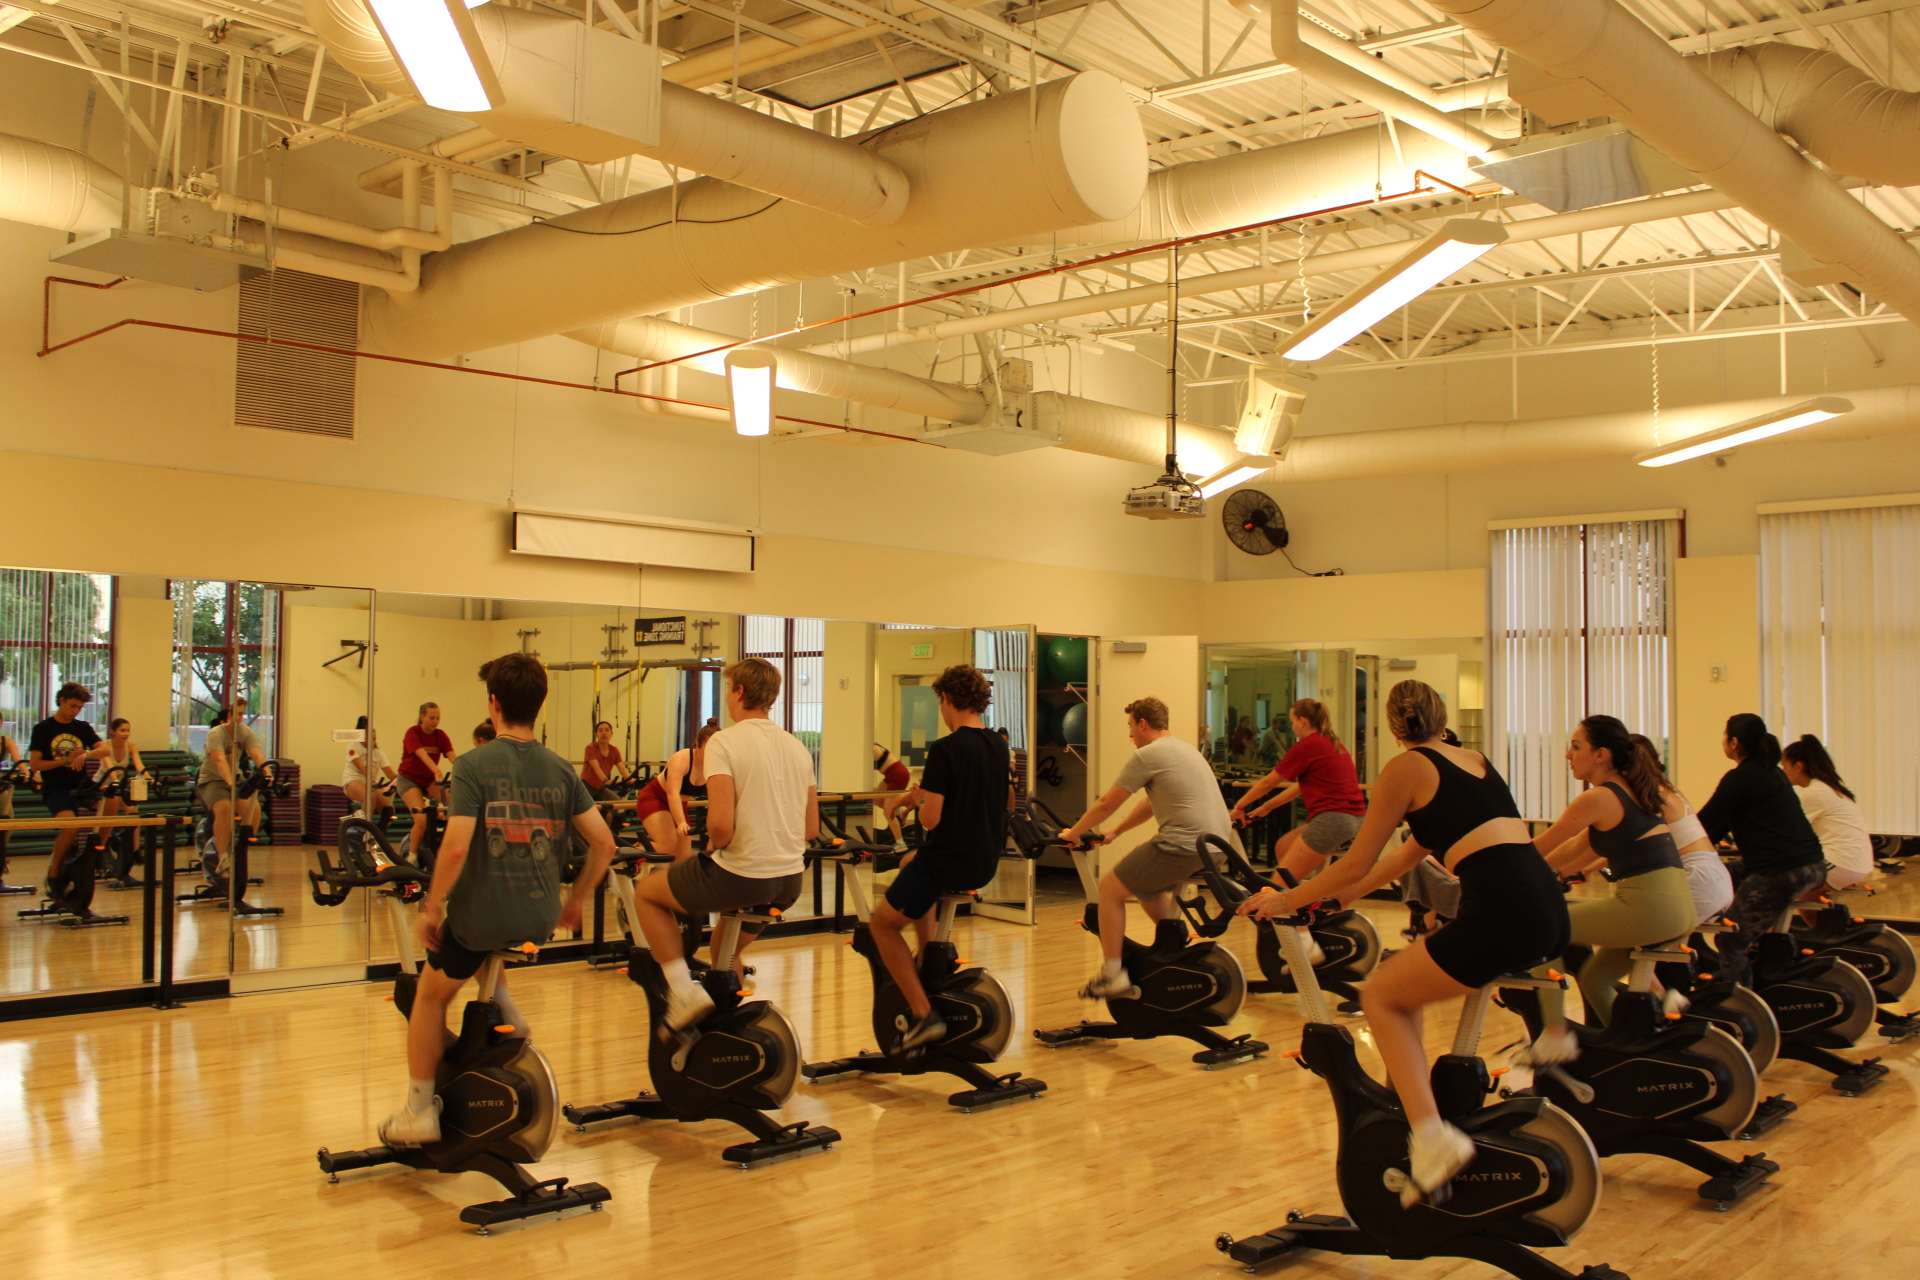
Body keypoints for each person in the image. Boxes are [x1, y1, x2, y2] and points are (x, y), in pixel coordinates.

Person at [1238, 680, 1569, 1206]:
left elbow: (1356, 859)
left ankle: (1434, 1140)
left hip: (1503, 912)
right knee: (1400, 991)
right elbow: (1410, 851)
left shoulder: (1405, 768)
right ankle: (1416, 1112)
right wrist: (1342, 900)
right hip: (1546, 909)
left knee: (1380, 997)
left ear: (1393, 727)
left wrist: (1286, 898)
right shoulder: (1473, 759)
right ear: (1441, 717)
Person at [378, 653, 617, 1145]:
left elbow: (458, 845)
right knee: (488, 938)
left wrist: (433, 905)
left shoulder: (471, 765)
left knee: (426, 999)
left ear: (494, 704)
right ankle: (504, 1010)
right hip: (540, 918)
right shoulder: (561, 768)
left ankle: (419, 1110)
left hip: (481, 918)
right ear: (540, 704)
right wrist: (576, 902)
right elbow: (605, 844)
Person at [633, 658, 816, 1038]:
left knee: (647, 893)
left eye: (728, 688)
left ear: (740, 692)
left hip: (742, 876)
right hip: (789, 882)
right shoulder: (797, 747)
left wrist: (720, 847)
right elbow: (810, 827)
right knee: (723, 949)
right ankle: (730, 1030)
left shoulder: (724, 742)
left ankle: (683, 993)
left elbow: (719, 827)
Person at [1520, 716, 1693, 1062]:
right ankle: (1636, 1051)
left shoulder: (1600, 797)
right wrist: (1543, 872)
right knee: (1595, 979)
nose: (1568, 755)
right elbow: (1569, 853)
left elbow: (1537, 848)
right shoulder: (1630, 790)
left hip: (1651, 907)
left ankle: (1555, 1034)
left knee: (1544, 926)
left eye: (1576, 746)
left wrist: (1489, 864)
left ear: (1601, 755)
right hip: (1677, 908)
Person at [1059, 696, 1241, 1001]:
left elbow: (1107, 802)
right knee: (1146, 886)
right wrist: (1117, 830)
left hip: (1183, 844)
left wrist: (1074, 833)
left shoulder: (1149, 754)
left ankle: (1112, 975)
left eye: (1131, 727)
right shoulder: (1185, 749)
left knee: (1110, 890)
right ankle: (1173, 950)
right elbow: (1150, 802)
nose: (1130, 736)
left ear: (1142, 724)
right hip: (1216, 846)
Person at [873, 665, 1011, 1053]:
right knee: (908, 863)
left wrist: (917, 807)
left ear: (947, 699)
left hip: (949, 859)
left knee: (881, 926)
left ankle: (923, 1014)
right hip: (984, 859)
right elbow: (965, 791)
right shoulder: (997, 745)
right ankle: (929, 958)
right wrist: (916, 795)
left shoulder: (945, 748)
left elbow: (932, 818)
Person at [1698, 713, 1827, 986]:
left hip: (1781, 871)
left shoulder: (1740, 777)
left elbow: (1704, 824)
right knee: (1724, 873)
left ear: (1733, 742)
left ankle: (1744, 1007)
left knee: (1729, 939)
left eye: (1725, 737)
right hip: (1811, 866)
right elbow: (1717, 825)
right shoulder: (1772, 772)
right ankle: (1754, 965)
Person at [1230, 698, 1368, 884]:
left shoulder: (1308, 745)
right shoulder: (1331, 742)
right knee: (1284, 847)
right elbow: (1301, 787)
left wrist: (1239, 806)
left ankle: (1288, 902)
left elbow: (1268, 783)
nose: (1292, 727)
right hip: (1355, 819)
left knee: (1278, 885)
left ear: (1302, 721)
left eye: (1292, 721)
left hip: (1333, 820)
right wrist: (1268, 806)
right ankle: (1303, 900)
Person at [29, 683, 109, 891]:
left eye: (80, 708)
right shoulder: (44, 729)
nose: (75, 711)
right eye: (72, 706)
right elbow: (35, 764)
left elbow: (105, 749)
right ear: (61, 700)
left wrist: (86, 755)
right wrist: (64, 761)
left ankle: (98, 850)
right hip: (56, 787)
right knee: (70, 826)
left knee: (113, 800)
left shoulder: (82, 727)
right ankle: (54, 874)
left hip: (82, 784)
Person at [1782, 734, 1875, 897]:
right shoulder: (1826, 788)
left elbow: (1784, 829)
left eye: (1785, 767)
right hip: (1855, 862)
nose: (1783, 772)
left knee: (1776, 886)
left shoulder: (1815, 793)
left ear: (1799, 766)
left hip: (1844, 862)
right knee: (1804, 896)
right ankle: (1826, 923)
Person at [196, 698, 269, 865]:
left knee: (254, 810)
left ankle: (241, 850)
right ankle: (222, 857)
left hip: (236, 778)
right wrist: (229, 782)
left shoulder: (246, 732)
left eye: (243, 714)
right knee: (224, 809)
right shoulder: (216, 733)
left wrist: (268, 773)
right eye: (237, 714)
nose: (240, 718)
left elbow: (256, 755)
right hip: (212, 780)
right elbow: (219, 760)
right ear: (229, 716)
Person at [632, 724, 712, 861]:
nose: (713, 753)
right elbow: (672, 793)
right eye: (709, 748)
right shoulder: (682, 758)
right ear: (697, 745)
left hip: (680, 805)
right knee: (667, 845)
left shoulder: (716, 764)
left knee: (682, 859)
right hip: (654, 798)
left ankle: (669, 881)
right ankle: (621, 852)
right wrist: (681, 822)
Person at [398, 702, 455, 864]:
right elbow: (423, 756)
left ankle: (448, 850)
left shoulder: (441, 735)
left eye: (438, 718)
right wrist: (437, 771)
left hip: (428, 781)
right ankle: (412, 856)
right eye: (431, 718)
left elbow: (452, 756)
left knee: (453, 803)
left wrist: (464, 772)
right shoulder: (412, 733)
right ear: (422, 717)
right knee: (421, 820)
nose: (435, 721)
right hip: (409, 779)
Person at [344, 716, 396, 826]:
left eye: (374, 739)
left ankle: (380, 833)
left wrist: (403, 781)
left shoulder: (378, 754)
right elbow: (362, 767)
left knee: (388, 809)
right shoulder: (352, 747)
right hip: (353, 781)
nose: (373, 741)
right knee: (369, 796)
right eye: (370, 738)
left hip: (372, 785)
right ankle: (364, 829)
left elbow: (391, 773)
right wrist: (371, 780)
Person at [873, 743, 914, 851]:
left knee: (888, 812)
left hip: (898, 775)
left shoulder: (872, 748)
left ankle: (901, 843)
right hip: (890, 775)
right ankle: (899, 814)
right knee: (876, 799)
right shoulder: (870, 749)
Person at [582, 721, 631, 802]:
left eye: (607, 730)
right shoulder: (590, 748)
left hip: (600, 787)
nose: (604, 733)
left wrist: (631, 780)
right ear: (596, 734)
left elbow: (622, 768)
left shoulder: (614, 750)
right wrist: (605, 780)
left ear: (611, 733)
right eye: (600, 731)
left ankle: (605, 815)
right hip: (587, 786)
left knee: (617, 803)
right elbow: (596, 767)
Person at [0, 730, 23, 887]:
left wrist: (27, 773)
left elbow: (18, 761)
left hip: (1, 790)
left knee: (6, 826)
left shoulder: (6, 742)